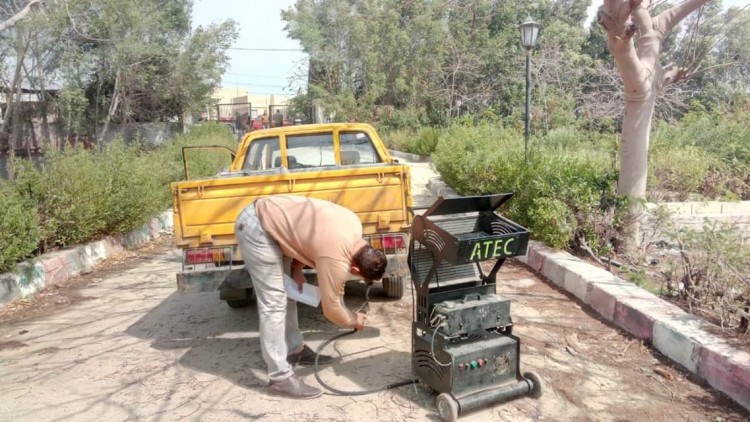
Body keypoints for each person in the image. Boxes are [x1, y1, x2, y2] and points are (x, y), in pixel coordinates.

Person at [234, 195, 387, 399]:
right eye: (358, 276)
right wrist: (353, 319)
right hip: (257, 227)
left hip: (277, 224)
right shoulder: (335, 256)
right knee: (274, 302)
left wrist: (298, 267)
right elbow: (331, 309)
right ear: (355, 267)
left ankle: (295, 350)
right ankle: (279, 378)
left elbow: (309, 235)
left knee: (289, 293)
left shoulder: (354, 225)